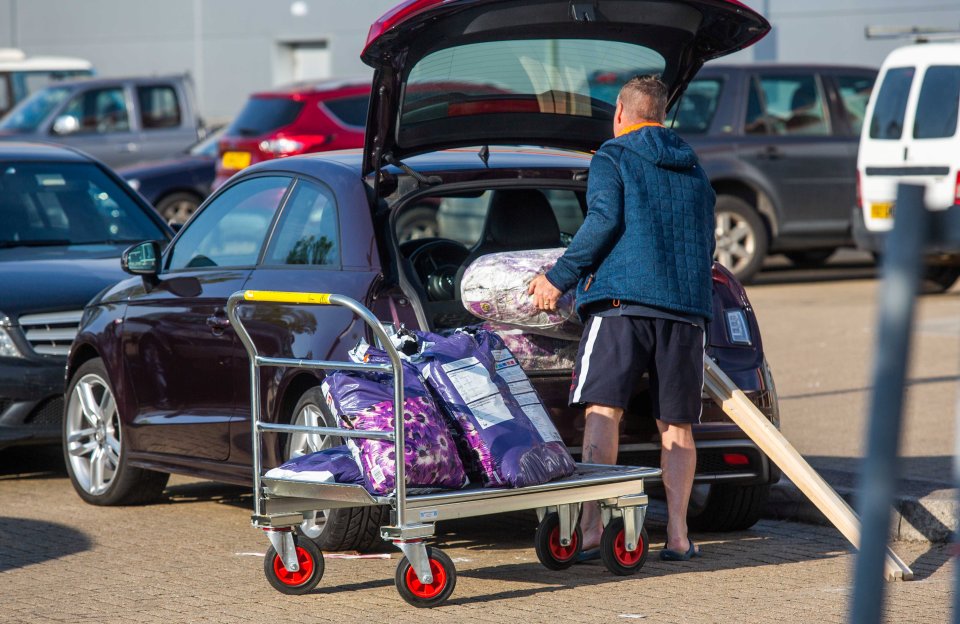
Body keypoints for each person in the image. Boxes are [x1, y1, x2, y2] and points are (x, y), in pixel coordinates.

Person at [528, 75, 716, 561]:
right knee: (676, 427)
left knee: (602, 411)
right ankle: (677, 535)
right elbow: (706, 237)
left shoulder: (612, 156)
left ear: (620, 112)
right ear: (661, 113)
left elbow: (604, 220)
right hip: (686, 312)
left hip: (623, 306)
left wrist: (558, 278)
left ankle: (591, 528)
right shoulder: (693, 164)